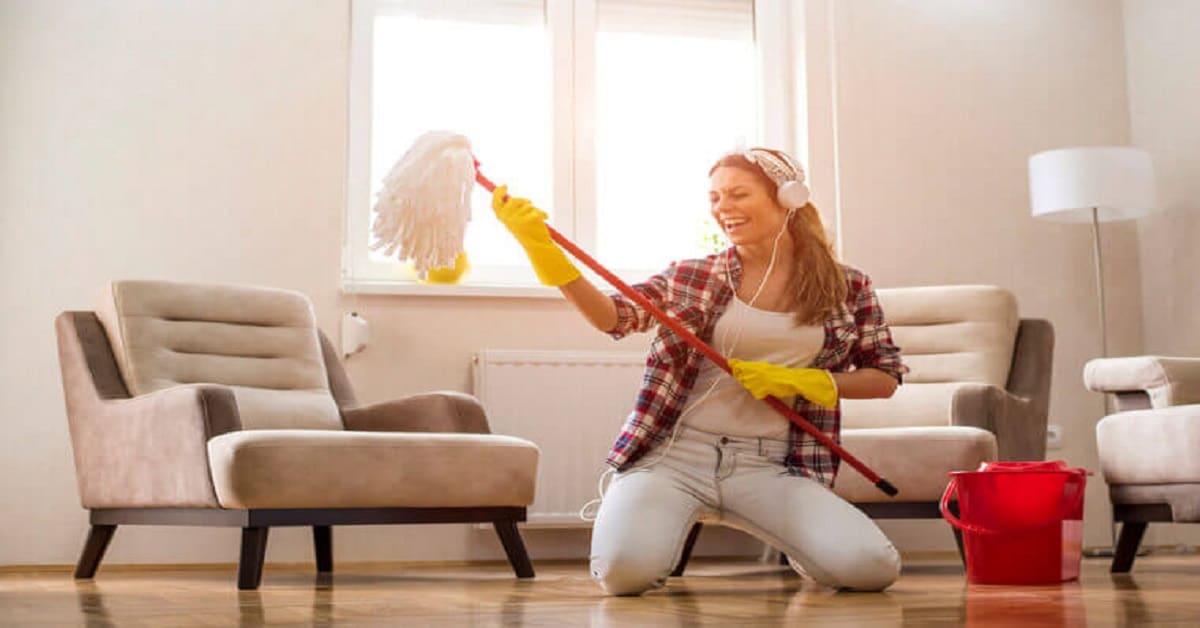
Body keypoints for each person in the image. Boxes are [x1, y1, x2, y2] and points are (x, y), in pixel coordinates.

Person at [491, 147, 909, 596]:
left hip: (769, 465)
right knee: (622, 575)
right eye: (714, 197)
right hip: (674, 456)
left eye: (737, 194)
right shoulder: (695, 275)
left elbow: (883, 377)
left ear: (787, 198)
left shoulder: (847, 286)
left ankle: (803, 542)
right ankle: (658, 512)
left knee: (871, 569)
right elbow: (613, 317)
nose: (722, 208)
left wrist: (803, 381)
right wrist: (541, 249)